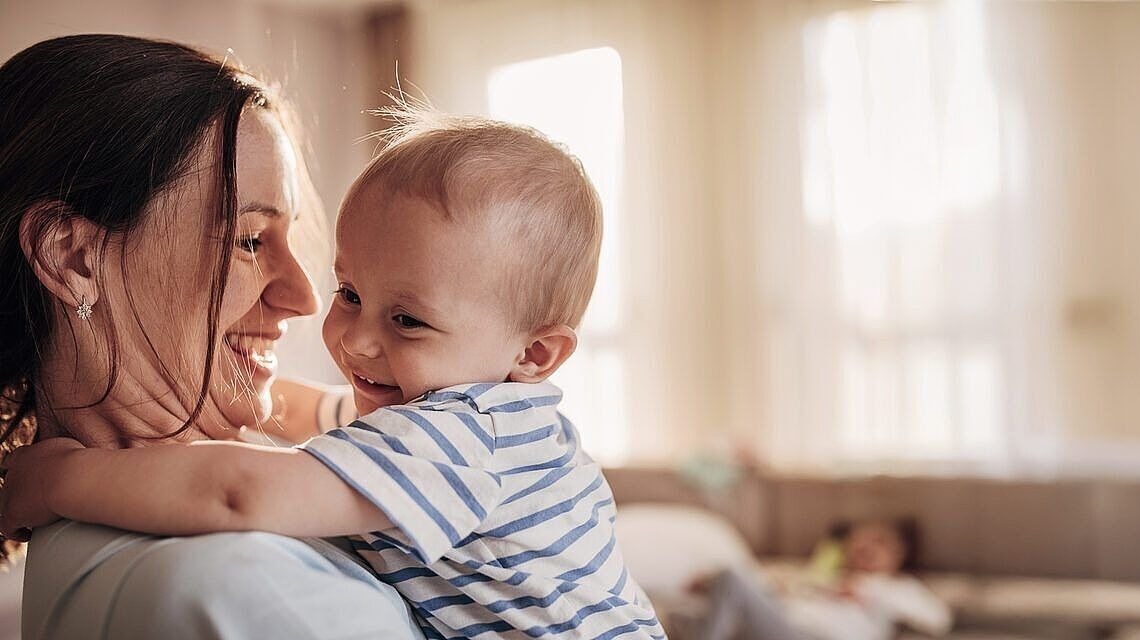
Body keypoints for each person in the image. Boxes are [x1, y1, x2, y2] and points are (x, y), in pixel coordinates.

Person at [0, 110, 666, 640]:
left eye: (407, 320)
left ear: (536, 355)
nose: (348, 333)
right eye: (350, 291)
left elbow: (236, 493)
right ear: (74, 259)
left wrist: (59, 477)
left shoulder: (460, 440)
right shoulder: (456, 417)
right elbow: (302, 411)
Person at [0, 34, 423, 639]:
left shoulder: (76, 536)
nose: (304, 298)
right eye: (249, 240)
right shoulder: (234, 589)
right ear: (73, 258)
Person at [699, 519, 950, 640]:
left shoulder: (899, 588)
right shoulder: (822, 576)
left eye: (879, 543)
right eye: (862, 540)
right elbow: (768, 587)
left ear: (898, 556)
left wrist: (867, 594)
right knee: (730, 576)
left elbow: (938, 619)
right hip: (787, 627)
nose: (867, 548)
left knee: (731, 577)